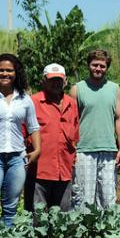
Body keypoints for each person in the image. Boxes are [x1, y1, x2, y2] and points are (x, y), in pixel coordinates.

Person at [0, 54, 40, 226]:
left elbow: (33, 127)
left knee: (11, 208)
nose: (5, 74)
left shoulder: (24, 99)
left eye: (9, 70)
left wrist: (37, 150)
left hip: (17, 158)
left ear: (16, 73)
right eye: (1, 70)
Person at [70, 49, 120, 208]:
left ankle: (105, 231)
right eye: (95, 65)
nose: (98, 69)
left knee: (108, 198)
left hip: (108, 149)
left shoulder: (114, 89)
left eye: (102, 66)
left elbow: (119, 118)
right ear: (89, 66)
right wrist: (72, 148)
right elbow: (71, 121)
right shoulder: (77, 89)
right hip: (84, 149)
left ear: (107, 67)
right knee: (83, 198)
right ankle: (83, 232)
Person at [25, 63, 78, 212]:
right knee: (37, 216)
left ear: (65, 81)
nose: (56, 83)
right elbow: (23, 132)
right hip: (39, 169)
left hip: (64, 170)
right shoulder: (33, 102)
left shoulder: (71, 104)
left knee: (63, 216)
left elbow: (75, 132)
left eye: (59, 80)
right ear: (43, 80)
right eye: (52, 80)